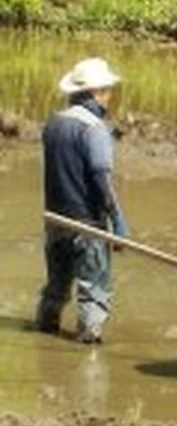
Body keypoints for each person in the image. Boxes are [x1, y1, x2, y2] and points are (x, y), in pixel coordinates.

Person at [36, 57, 129, 345]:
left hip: (55, 219)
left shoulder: (54, 123)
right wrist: (117, 219)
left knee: (57, 284)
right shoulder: (94, 130)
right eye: (107, 91)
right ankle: (88, 344)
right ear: (97, 92)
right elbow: (101, 177)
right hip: (87, 224)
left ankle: (45, 328)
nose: (110, 97)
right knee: (94, 287)